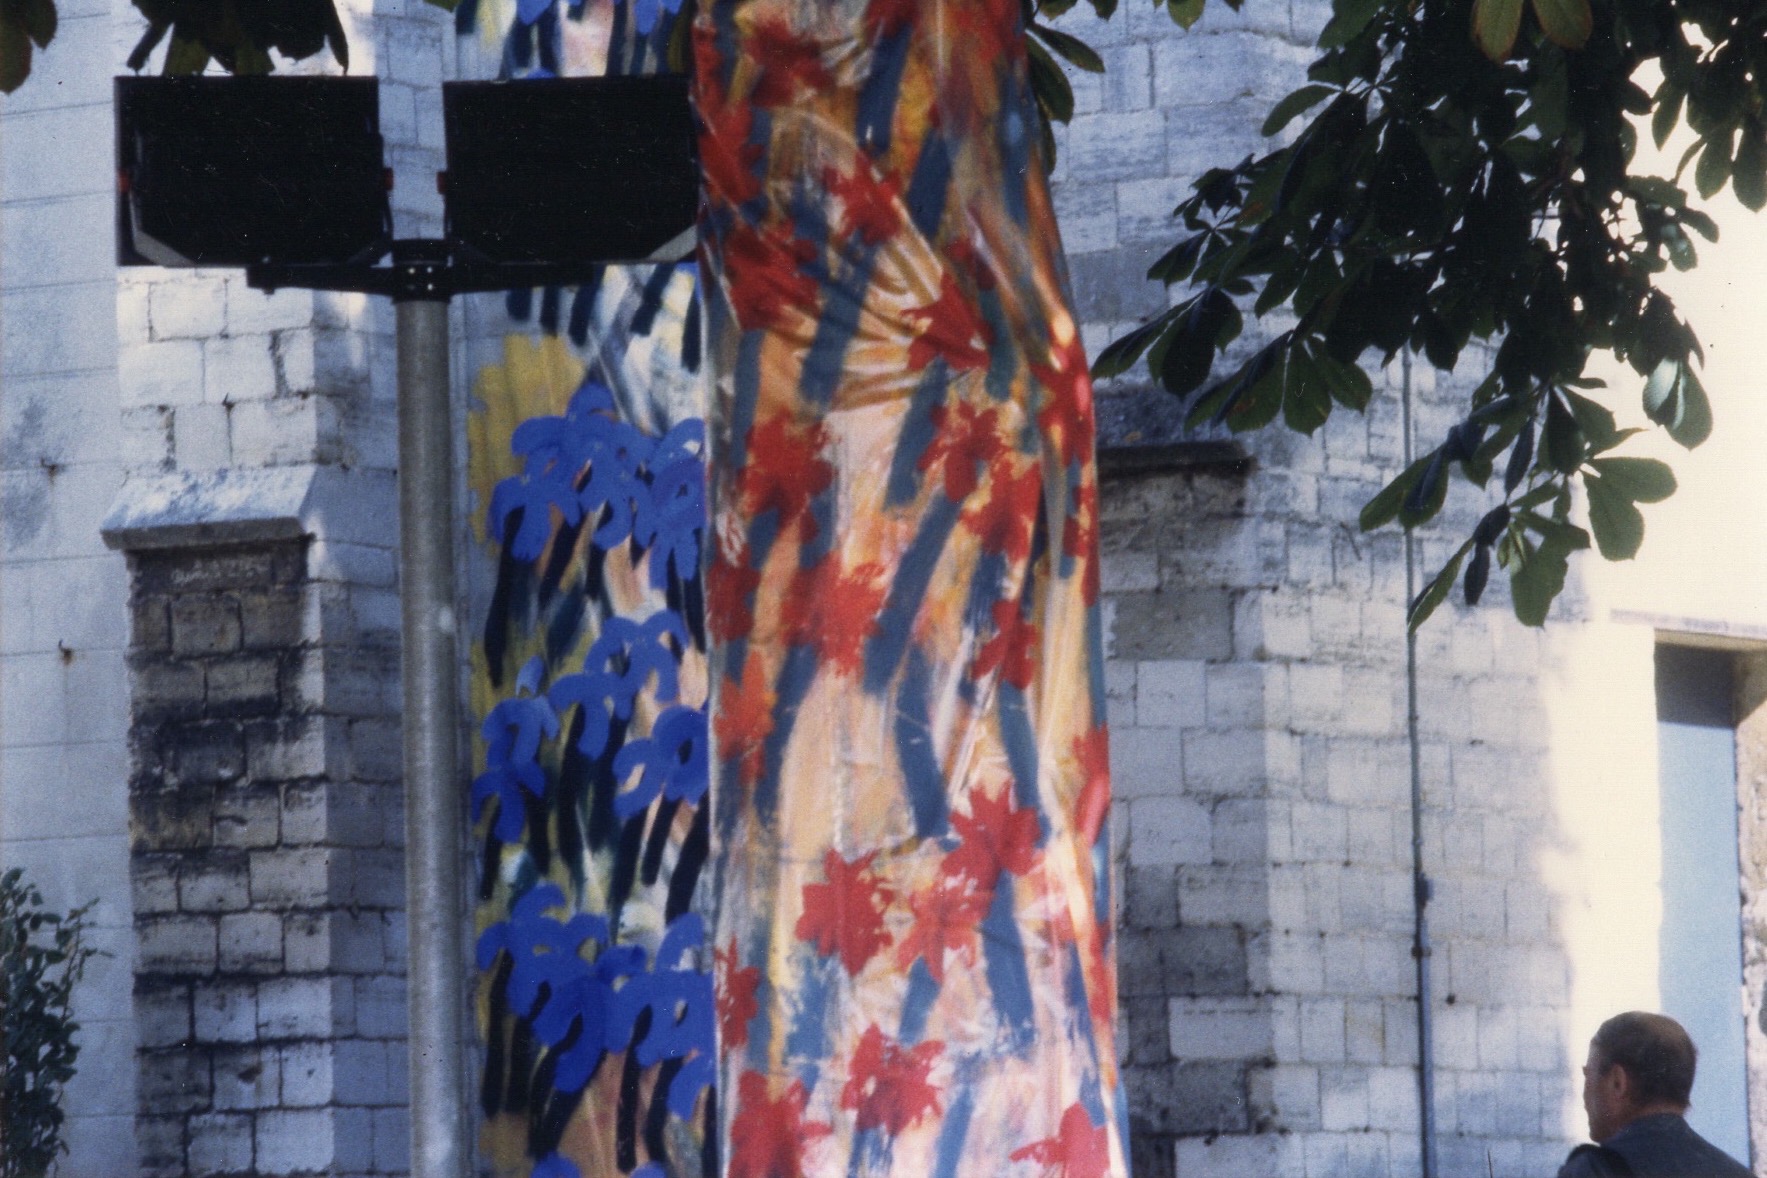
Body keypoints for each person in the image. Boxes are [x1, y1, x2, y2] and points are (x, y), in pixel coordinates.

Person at [1557, 1012, 1752, 1177]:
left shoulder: (1593, 1170)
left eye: (1588, 1077)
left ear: (1618, 1082)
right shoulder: (1739, 1173)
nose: (1584, 1098)